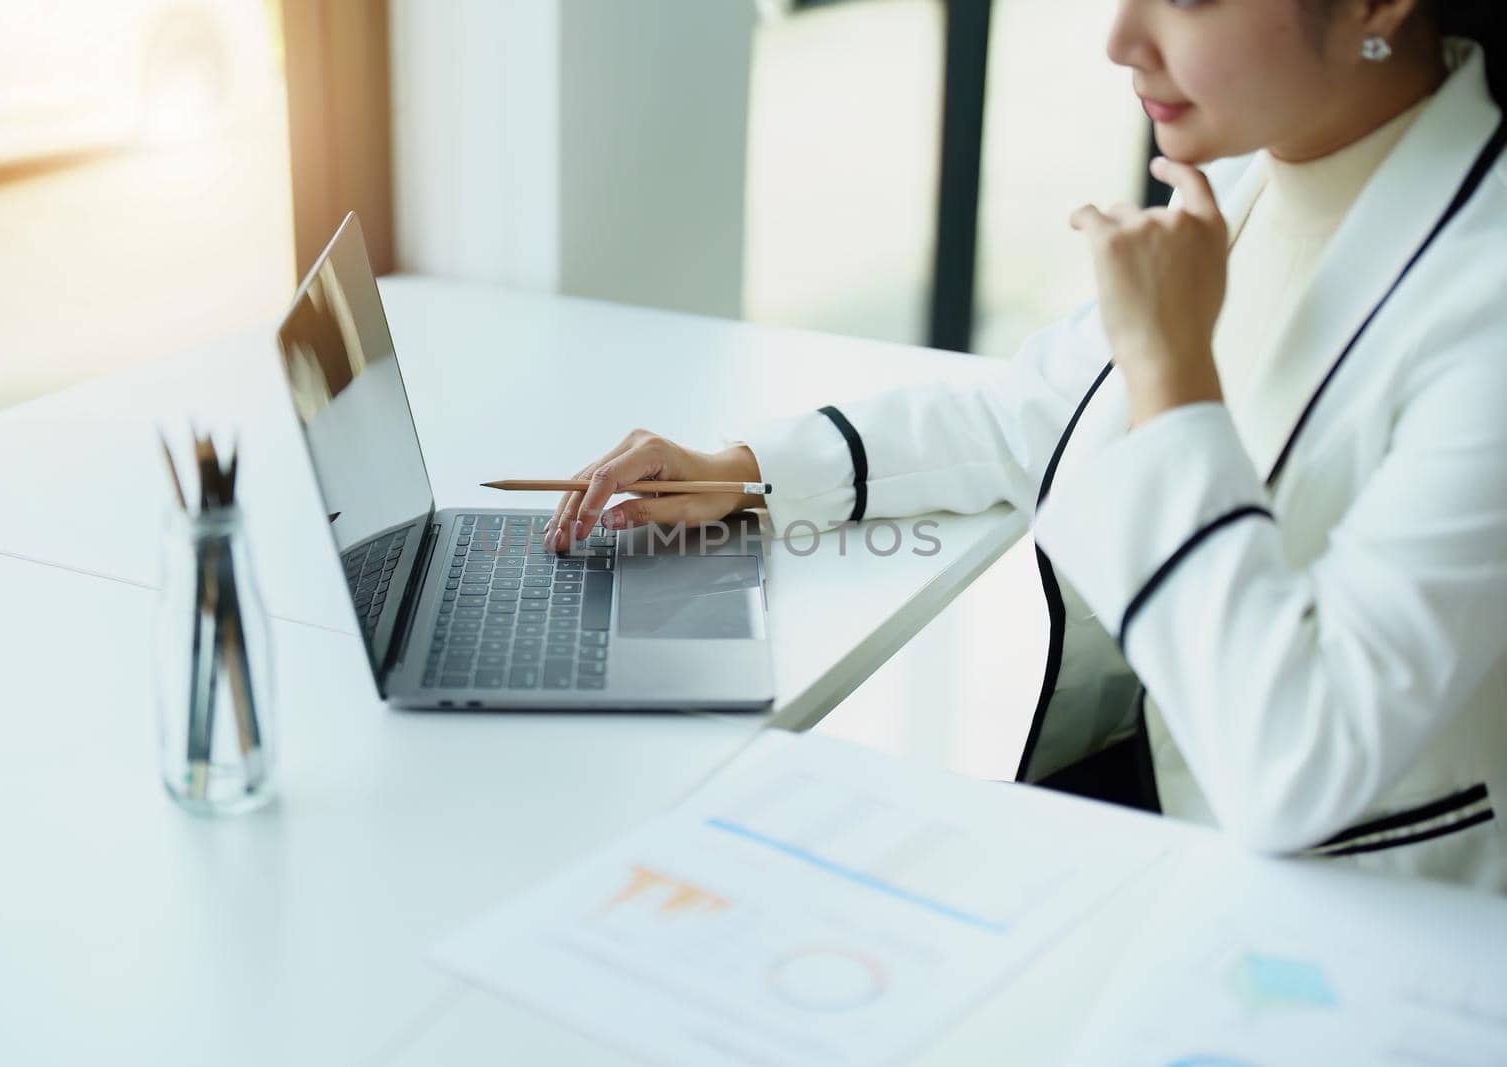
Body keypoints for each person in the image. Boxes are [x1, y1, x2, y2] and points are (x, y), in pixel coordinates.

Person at [544, 1, 1507, 892]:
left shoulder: (1484, 308)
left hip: (1350, 904)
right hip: (1159, 801)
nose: (1121, 39)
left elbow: (1295, 764)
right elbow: (1025, 412)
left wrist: (1172, 375)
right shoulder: (1268, 175)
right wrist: (744, 471)